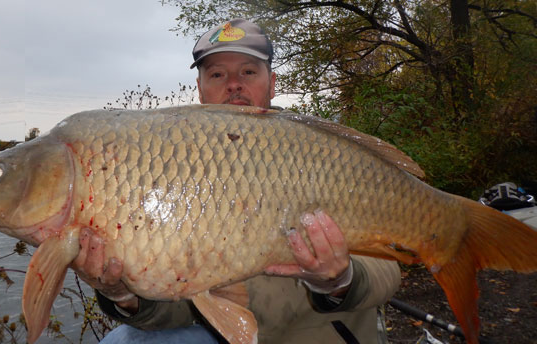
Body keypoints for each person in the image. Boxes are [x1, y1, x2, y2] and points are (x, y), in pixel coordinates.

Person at [72, 18, 401, 344]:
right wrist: (124, 294)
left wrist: (340, 281)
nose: (233, 84)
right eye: (217, 74)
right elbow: (180, 308)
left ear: (271, 83)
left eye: (247, 72)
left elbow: (389, 269)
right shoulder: (177, 172)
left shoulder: (320, 152)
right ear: (200, 90)